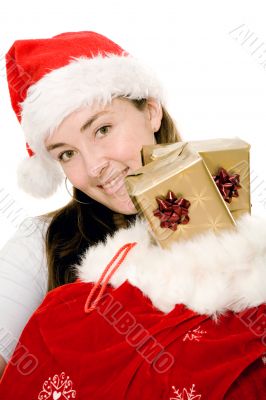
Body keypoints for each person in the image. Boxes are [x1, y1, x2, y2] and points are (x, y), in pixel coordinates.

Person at [0, 31, 265, 399]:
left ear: (152, 111)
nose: (93, 167)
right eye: (66, 154)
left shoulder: (242, 228)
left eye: (102, 129)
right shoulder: (40, 243)